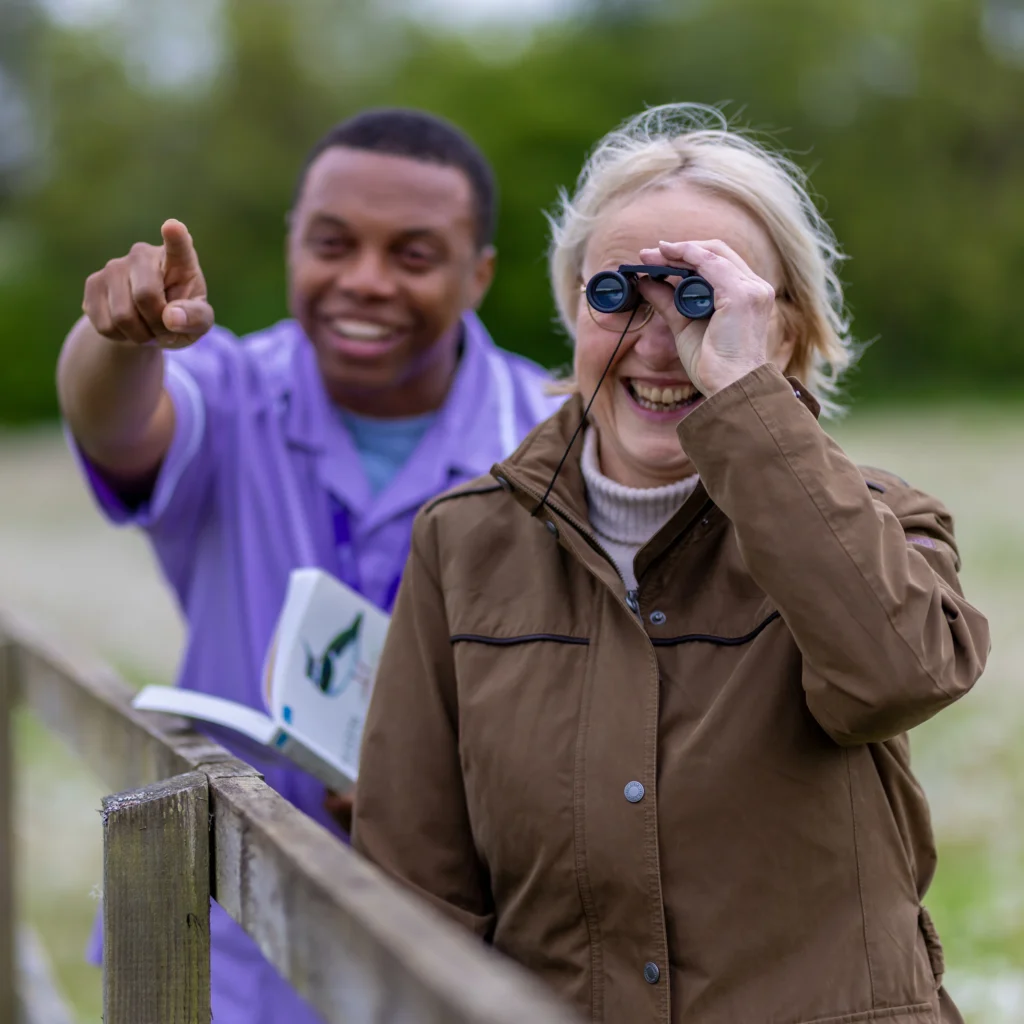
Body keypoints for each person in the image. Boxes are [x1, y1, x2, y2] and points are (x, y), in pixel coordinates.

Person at [352, 104, 989, 1024]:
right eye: (618, 296)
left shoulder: (885, 523)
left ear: (787, 331)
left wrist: (743, 405)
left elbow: (896, 678)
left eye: (703, 300)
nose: (659, 344)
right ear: (574, 308)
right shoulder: (465, 540)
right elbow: (416, 882)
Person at [57, 108, 560, 1024]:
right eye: (333, 243)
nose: (365, 281)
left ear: (479, 273)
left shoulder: (551, 440)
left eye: (413, 255)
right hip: (221, 954)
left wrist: (433, 790)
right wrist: (121, 339)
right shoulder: (228, 388)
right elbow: (115, 422)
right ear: (294, 243)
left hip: (469, 955)